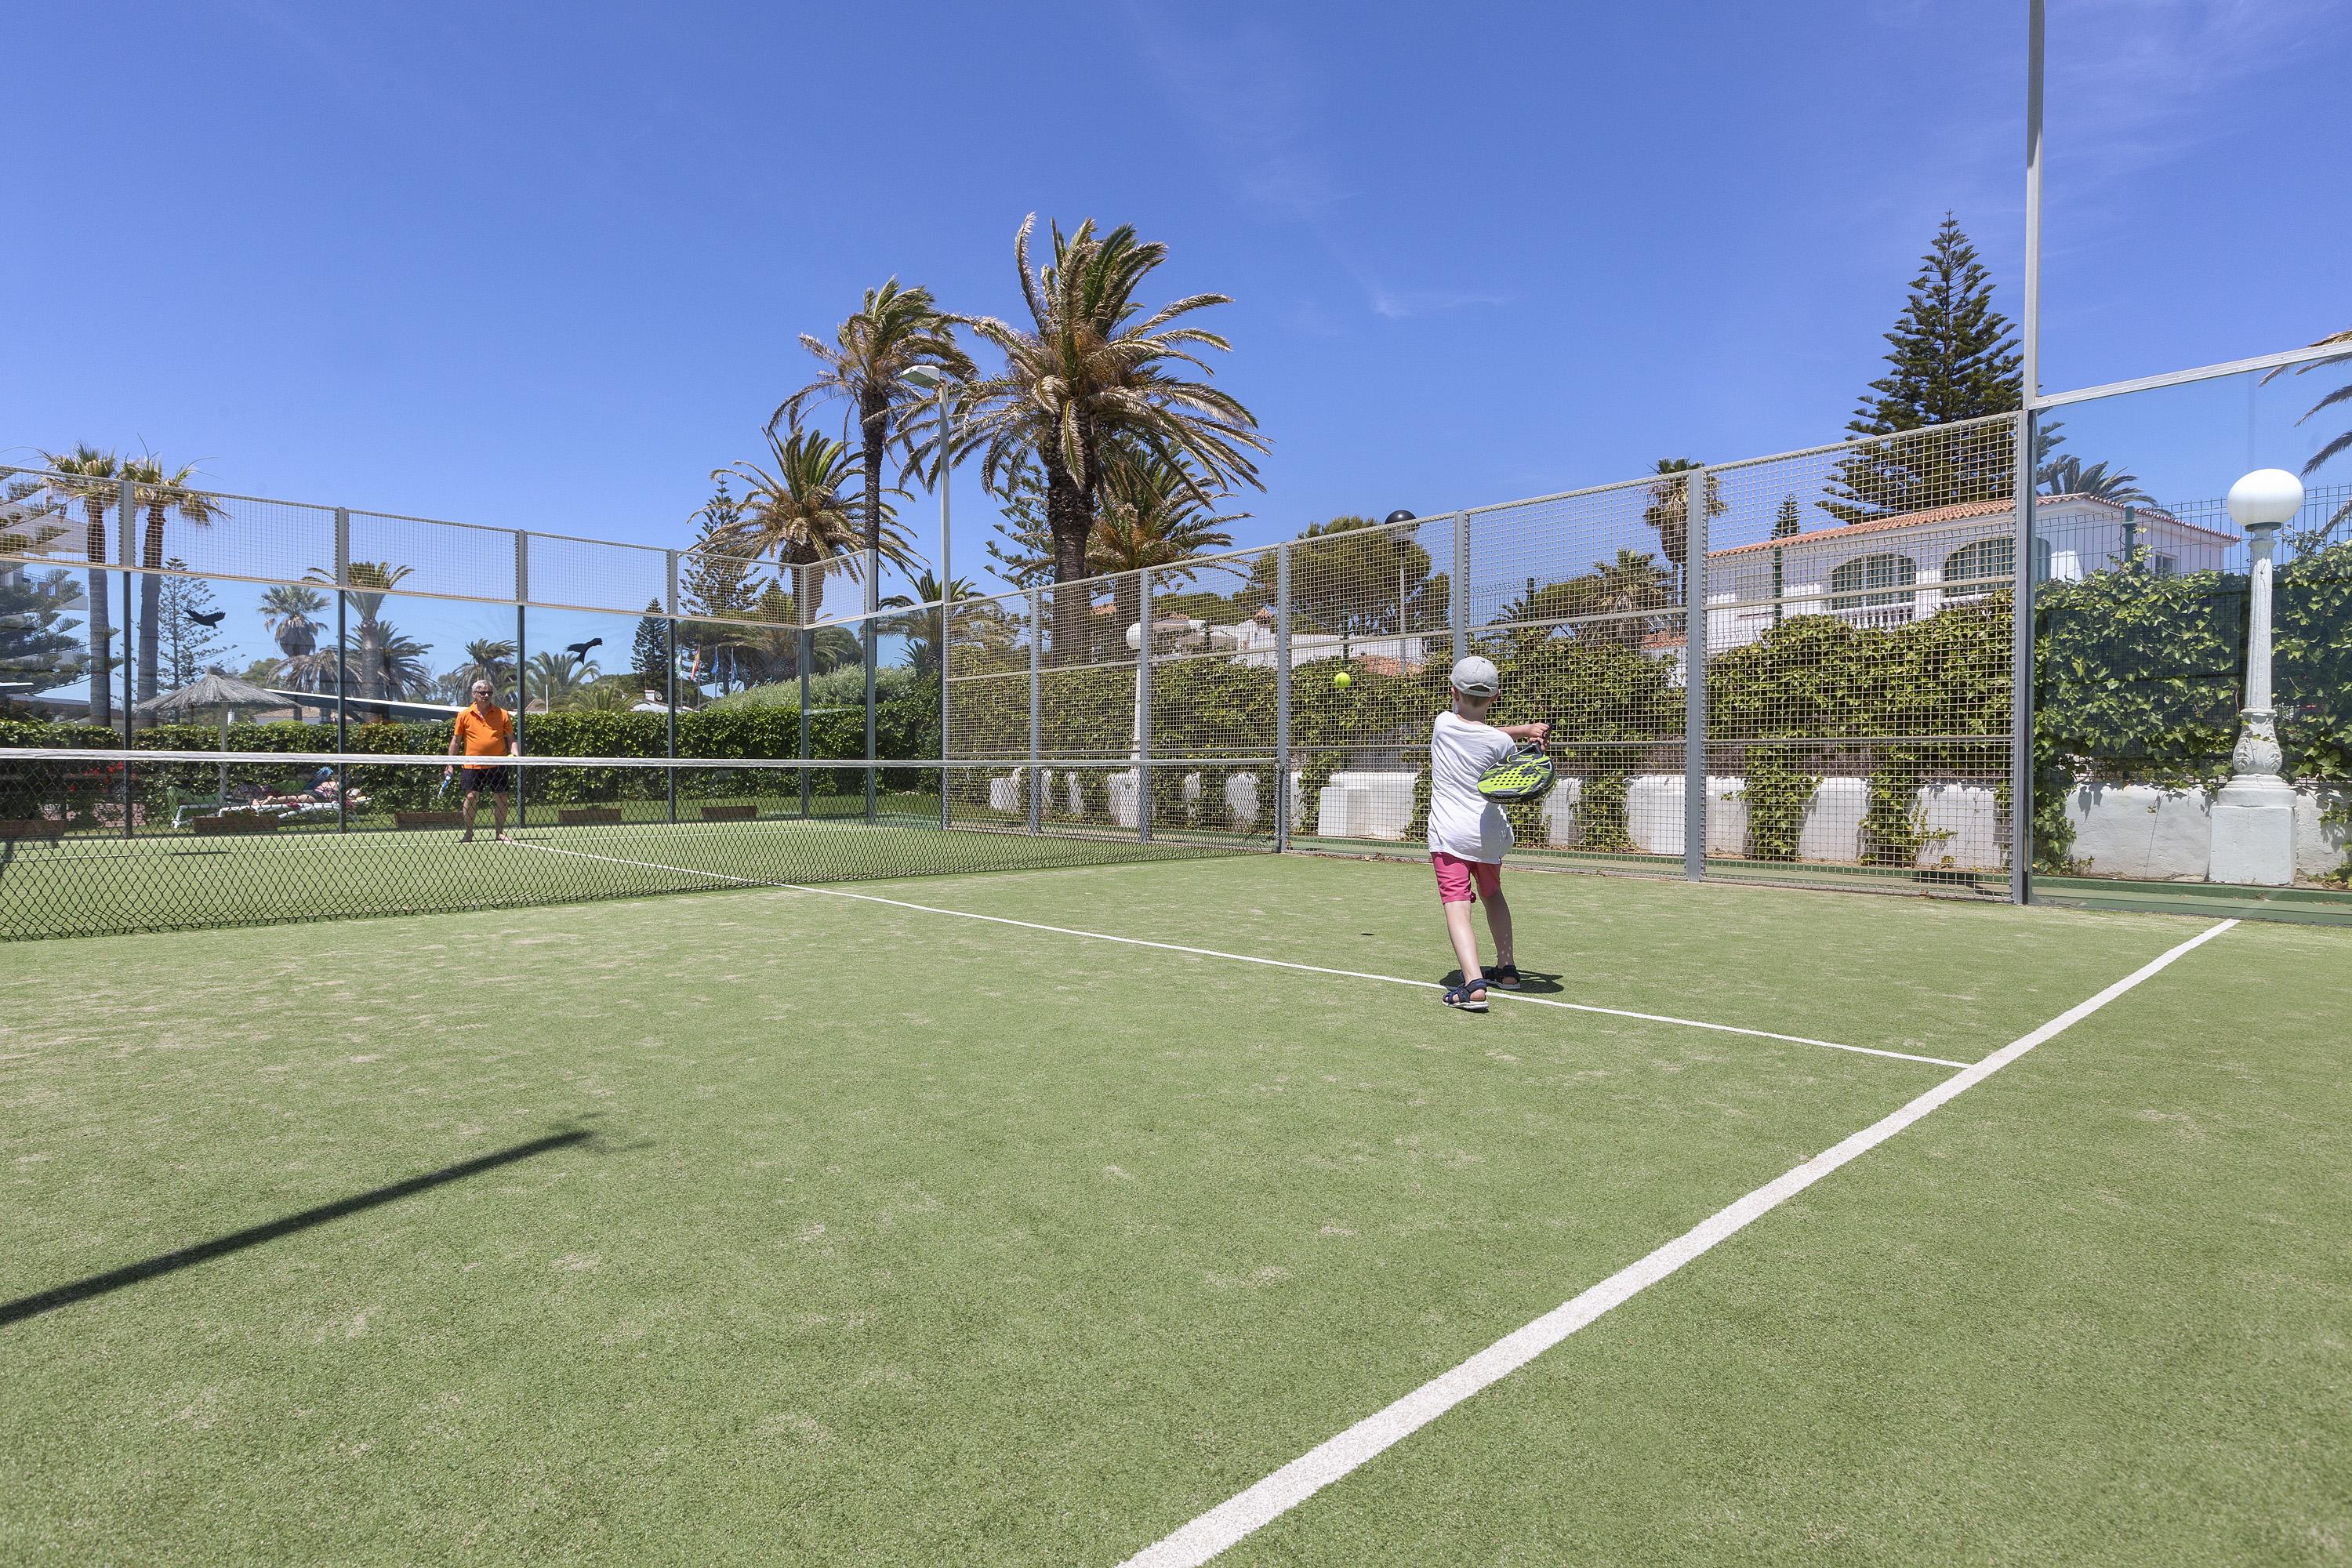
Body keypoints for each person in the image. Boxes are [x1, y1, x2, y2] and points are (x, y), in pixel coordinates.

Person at [1427, 655, 1548, 1011]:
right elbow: (1491, 737)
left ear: (1453, 691)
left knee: (1456, 903)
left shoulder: (1443, 723)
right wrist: (1527, 733)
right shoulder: (1502, 745)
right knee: (1493, 895)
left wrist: (1522, 731)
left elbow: (1475, 729)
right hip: (1490, 834)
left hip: (1451, 834)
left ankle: (1473, 983)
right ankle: (1507, 970)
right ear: (1494, 698)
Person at [445, 680, 519, 842]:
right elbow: (456, 741)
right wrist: (449, 764)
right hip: (472, 765)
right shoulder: (464, 715)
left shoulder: (503, 714)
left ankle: (499, 833)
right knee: (471, 797)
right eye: (483, 693)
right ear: (474, 695)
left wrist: (517, 756)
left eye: (489, 693)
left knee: (502, 797)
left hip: (498, 765)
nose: (486, 696)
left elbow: (511, 739)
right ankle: (469, 833)